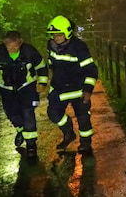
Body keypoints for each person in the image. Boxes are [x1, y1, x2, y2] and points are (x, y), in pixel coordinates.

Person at [0, 31, 48, 158]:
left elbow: (41, 66)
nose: (13, 49)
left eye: (15, 46)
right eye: (9, 47)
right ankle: (20, 131)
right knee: (12, 113)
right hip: (6, 89)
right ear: (4, 43)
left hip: (27, 86)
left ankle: (31, 145)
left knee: (27, 112)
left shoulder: (29, 51)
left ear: (20, 42)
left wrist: (42, 82)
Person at [46, 15, 99, 155]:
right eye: (53, 35)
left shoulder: (79, 47)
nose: (55, 37)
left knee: (83, 118)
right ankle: (68, 132)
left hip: (78, 90)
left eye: (59, 34)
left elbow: (91, 70)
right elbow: (52, 64)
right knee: (53, 113)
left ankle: (85, 144)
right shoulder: (50, 45)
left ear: (68, 32)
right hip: (59, 89)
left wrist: (88, 90)